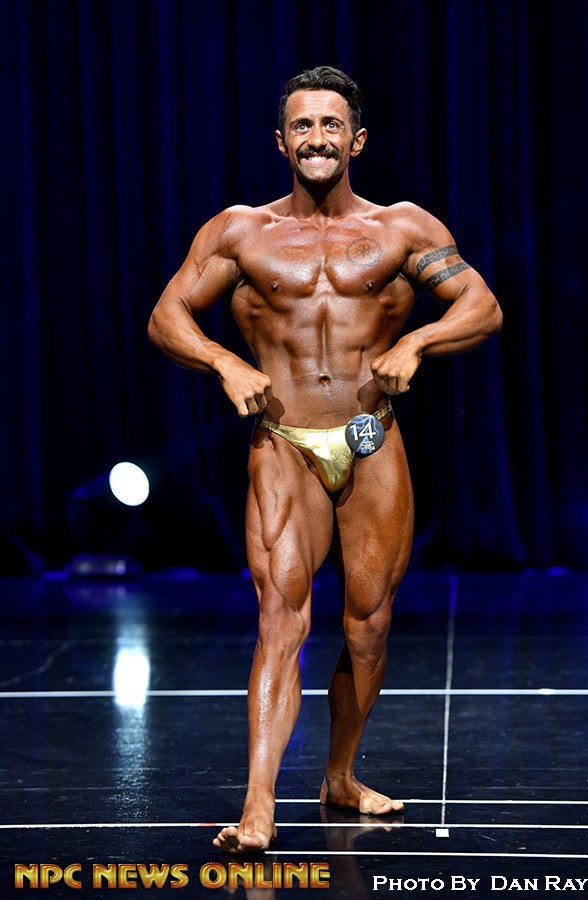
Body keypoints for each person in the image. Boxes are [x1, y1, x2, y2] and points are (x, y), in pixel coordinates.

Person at [148, 66, 502, 853]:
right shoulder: (240, 232)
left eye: (330, 125)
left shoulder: (401, 228)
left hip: (371, 439)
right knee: (281, 619)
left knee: (368, 625)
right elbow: (167, 316)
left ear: (357, 139)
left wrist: (419, 341)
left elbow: (482, 305)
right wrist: (224, 362)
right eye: (302, 126)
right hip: (283, 441)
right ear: (281, 142)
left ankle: (340, 776)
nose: (316, 139)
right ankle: (258, 807)